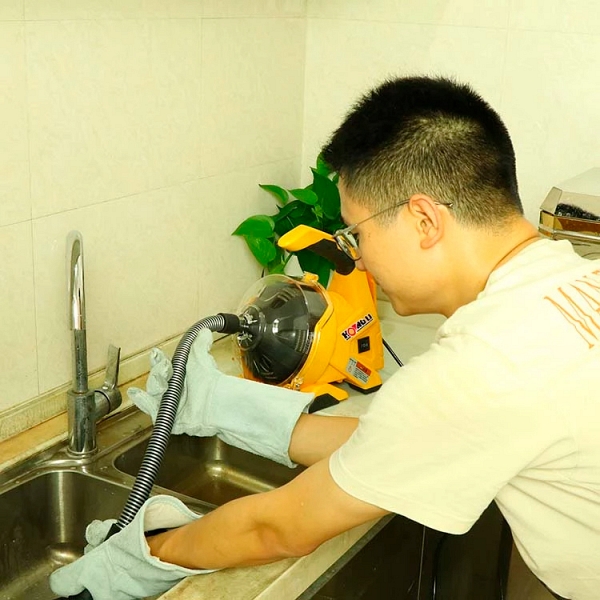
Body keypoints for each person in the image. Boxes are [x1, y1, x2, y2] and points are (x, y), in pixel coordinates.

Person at [50, 76, 600, 600]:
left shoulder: (482, 364)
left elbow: (278, 527)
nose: (355, 257)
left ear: (424, 220)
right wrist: (229, 408)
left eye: (356, 232)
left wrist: (141, 557)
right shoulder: (568, 281)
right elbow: (403, 440)